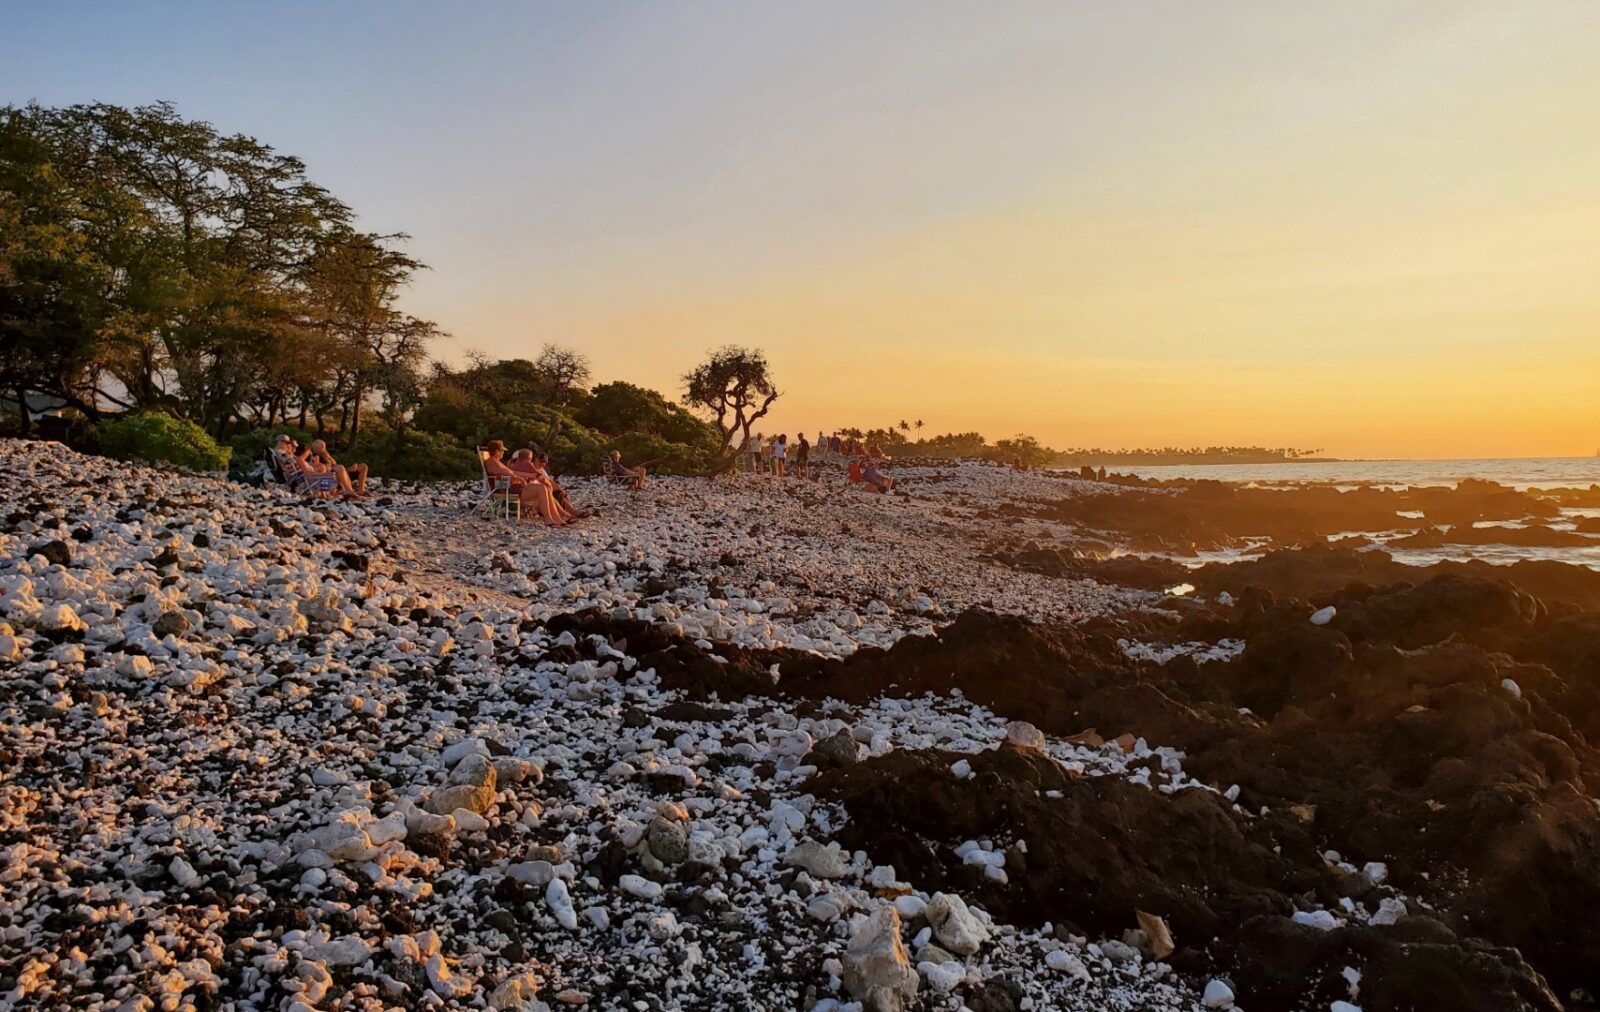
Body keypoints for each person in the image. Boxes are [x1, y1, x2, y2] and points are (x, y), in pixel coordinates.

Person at [483, 440, 568, 524]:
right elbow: (504, 474)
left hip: (514, 487)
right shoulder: (492, 462)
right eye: (502, 451)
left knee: (545, 488)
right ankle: (549, 520)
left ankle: (556, 518)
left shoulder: (497, 462)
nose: (503, 453)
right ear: (497, 451)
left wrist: (522, 477)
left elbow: (510, 472)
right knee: (541, 488)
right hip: (507, 489)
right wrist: (519, 478)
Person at [510, 448, 586, 520]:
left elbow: (549, 481)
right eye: (541, 461)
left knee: (558, 493)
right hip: (531, 493)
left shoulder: (519, 466)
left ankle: (568, 513)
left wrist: (561, 491)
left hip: (531, 491)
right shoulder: (529, 466)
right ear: (534, 459)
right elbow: (542, 479)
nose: (543, 463)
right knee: (550, 493)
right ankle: (563, 515)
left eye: (544, 462)